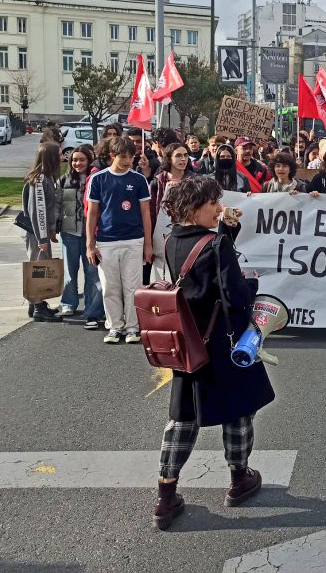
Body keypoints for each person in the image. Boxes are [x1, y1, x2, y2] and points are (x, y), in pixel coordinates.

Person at [153, 176, 272, 529]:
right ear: (194, 207)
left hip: (190, 342)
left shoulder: (173, 239)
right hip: (223, 341)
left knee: (183, 417)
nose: (218, 209)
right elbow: (235, 294)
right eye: (212, 204)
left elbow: (199, 274)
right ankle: (239, 477)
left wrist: (225, 235)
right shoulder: (215, 244)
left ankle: (166, 494)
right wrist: (251, 283)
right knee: (238, 410)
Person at [86, 137, 154, 345]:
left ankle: (133, 327)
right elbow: (92, 213)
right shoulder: (98, 179)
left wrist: (148, 244)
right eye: (123, 157)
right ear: (112, 156)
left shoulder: (138, 179)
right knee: (110, 287)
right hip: (106, 241)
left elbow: (145, 213)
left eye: (131, 157)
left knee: (133, 287)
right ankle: (115, 326)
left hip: (133, 240)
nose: (128, 161)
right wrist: (90, 244)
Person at [58, 146, 103, 326]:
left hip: (89, 233)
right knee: (70, 270)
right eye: (75, 160)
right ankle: (69, 302)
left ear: (89, 160)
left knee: (91, 272)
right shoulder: (64, 180)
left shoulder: (95, 179)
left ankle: (91, 306)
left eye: (82, 160)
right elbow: (57, 205)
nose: (78, 163)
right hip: (69, 232)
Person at [22, 142, 62, 322]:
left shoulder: (44, 178)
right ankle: (38, 306)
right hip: (38, 233)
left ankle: (36, 303)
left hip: (41, 232)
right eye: (59, 154)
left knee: (39, 266)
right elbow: (38, 211)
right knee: (39, 267)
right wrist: (42, 237)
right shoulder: (40, 180)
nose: (62, 158)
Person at [150, 142, 192, 232]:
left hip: (189, 230)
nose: (183, 159)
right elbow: (151, 213)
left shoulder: (195, 181)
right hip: (162, 231)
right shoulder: (157, 183)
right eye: (178, 156)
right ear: (169, 159)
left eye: (185, 155)